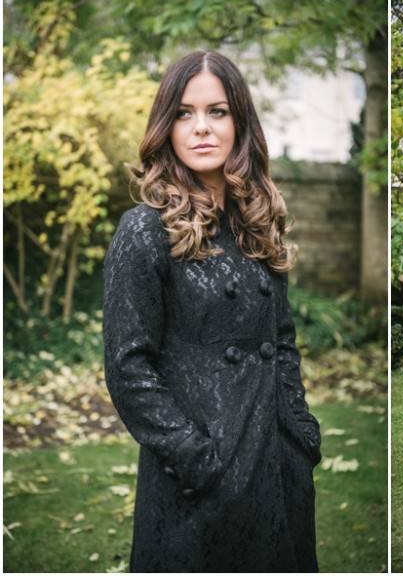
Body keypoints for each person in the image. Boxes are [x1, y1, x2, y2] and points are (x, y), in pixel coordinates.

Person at [103, 50, 321, 572]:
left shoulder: (257, 225)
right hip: (197, 480)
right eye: (183, 113)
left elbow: (283, 341)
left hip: (275, 466)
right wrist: (195, 458)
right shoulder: (145, 230)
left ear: (240, 123)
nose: (201, 127)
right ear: (166, 127)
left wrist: (299, 432)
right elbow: (128, 367)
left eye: (217, 111)